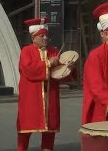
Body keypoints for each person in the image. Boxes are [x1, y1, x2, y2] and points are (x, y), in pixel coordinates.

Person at [17, 18, 76, 151]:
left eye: (46, 35)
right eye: (41, 35)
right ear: (33, 37)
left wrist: (69, 68)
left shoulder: (53, 50)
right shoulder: (26, 51)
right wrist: (48, 63)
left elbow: (60, 73)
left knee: (49, 131)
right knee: (25, 130)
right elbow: (28, 70)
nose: (45, 38)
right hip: (31, 98)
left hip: (50, 96)